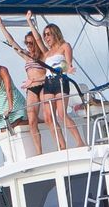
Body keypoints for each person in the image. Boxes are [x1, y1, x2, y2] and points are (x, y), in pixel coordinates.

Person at [0, 16, 47, 157]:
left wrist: (29, 21)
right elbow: (12, 43)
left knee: (48, 117)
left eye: (31, 43)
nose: (29, 46)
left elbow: (50, 74)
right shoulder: (27, 56)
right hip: (31, 90)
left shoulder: (45, 56)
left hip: (44, 86)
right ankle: (39, 152)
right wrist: (1, 25)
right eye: (27, 44)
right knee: (32, 120)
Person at [37, 21, 86, 150]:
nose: (46, 38)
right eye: (45, 35)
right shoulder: (47, 53)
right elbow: (37, 39)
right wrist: (29, 22)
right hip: (48, 83)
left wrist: (67, 69)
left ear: (55, 34)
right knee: (49, 117)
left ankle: (79, 141)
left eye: (48, 34)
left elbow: (68, 64)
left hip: (60, 81)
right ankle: (61, 146)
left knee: (61, 114)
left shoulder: (65, 46)